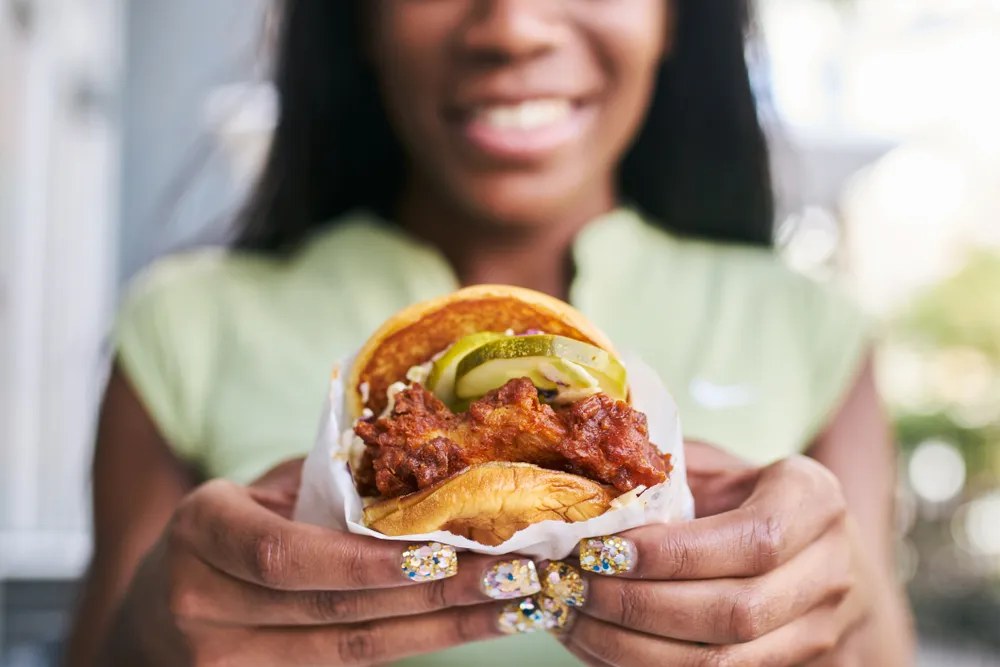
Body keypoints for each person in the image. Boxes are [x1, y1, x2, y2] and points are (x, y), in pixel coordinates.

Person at [64, 1, 915, 665]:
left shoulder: (812, 325)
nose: (510, 27)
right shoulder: (182, 325)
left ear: (675, 16)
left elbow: (882, 652)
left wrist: (844, 621)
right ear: (361, 16)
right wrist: (147, 638)